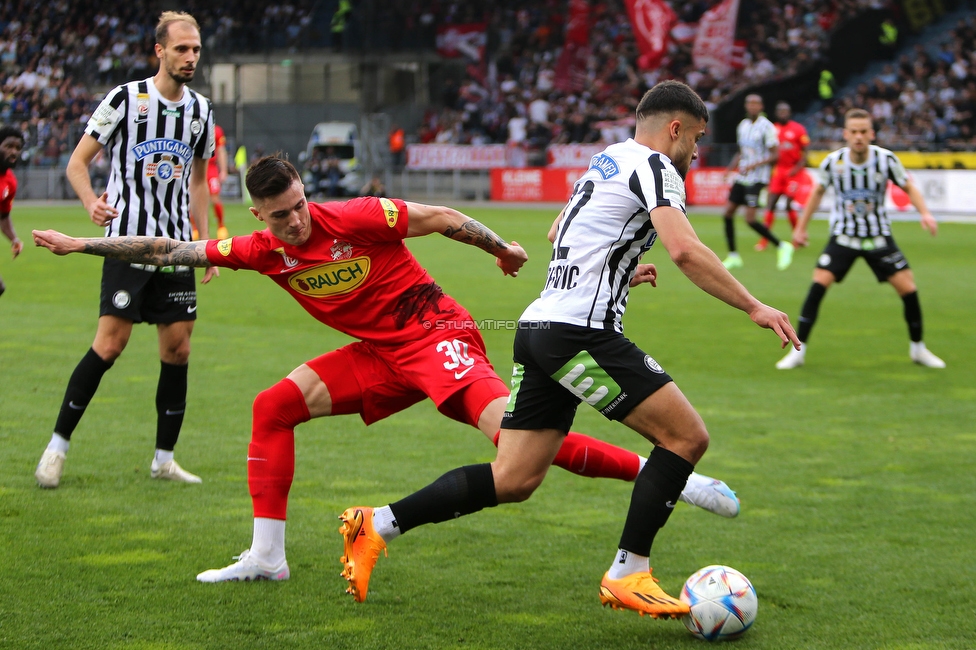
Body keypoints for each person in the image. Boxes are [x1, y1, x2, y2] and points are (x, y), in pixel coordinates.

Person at [33, 155, 741, 582]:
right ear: (259, 215)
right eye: (279, 216)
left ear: (309, 194)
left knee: (516, 447)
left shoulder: (356, 215)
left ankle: (681, 472)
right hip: (379, 357)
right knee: (271, 407)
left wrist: (499, 249)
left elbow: (436, 217)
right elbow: (170, 250)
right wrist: (81, 244)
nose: (296, 223)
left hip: (438, 337)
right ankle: (266, 557)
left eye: (300, 206)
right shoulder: (261, 250)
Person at [335, 81, 799, 616]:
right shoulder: (655, 167)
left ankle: (377, 523)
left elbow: (561, 230)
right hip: (579, 334)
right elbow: (686, 251)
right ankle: (630, 571)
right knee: (685, 437)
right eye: (695, 139)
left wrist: (619, 268)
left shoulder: (605, 161)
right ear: (676, 129)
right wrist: (754, 306)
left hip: (540, 331)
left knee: (513, 478)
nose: (696, 152)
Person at [33, 11, 217, 490]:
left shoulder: (202, 110)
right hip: (125, 244)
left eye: (196, 49)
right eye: (181, 49)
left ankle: (163, 458)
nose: (190, 57)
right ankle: (57, 447)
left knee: (178, 349)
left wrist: (204, 243)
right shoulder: (125, 99)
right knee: (110, 344)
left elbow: (198, 182)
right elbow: (78, 163)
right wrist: (91, 201)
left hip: (177, 249)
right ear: (159, 51)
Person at [776, 108, 945, 370]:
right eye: (853, 131)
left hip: (878, 236)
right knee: (818, 285)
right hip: (844, 236)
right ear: (845, 134)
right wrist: (801, 228)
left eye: (863, 131)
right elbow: (818, 192)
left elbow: (908, 185)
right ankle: (799, 352)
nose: (858, 136)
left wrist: (925, 213)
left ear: (871, 133)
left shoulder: (885, 159)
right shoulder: (834, 162)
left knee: (909, 289)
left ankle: (918, 349)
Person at [721, 94, 793, 271]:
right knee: (728, 213)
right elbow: (741, 151)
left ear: (761, 107)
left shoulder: (767, 127)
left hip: (758, 177)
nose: (752, 106)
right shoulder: (743, 126)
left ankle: (782, 246)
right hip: (743, 176)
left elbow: (776, 155)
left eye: (756, 103)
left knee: (750, 219)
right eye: (749, 103)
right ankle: (733, 255)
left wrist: (755, 164)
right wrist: (730, 168)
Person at [756, 102, 810, 251]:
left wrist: (797, 168)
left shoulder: (798, 129)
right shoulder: (773, 130)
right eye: (780, 111)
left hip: (793, 172)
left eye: (785, 111)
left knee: (788, 205)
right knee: (771, 204)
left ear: (790, 112)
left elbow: (805, 154)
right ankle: (764, 239)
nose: (783, 113)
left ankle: (797, 238)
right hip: (778, 172)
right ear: (776, 113)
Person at [0, 125, 24, 298]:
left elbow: (4, 216)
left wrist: (14, 239)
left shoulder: (10, 182)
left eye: (17, 148)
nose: (14, 152)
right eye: (9, 146)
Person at [205, 123, 229, 239]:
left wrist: (223, 170)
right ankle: (194, 228)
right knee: (193, 199)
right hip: (195, 167)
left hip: (211, 167)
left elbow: (221, 151)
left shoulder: (216, 130)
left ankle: (221, 226)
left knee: (215, 198)